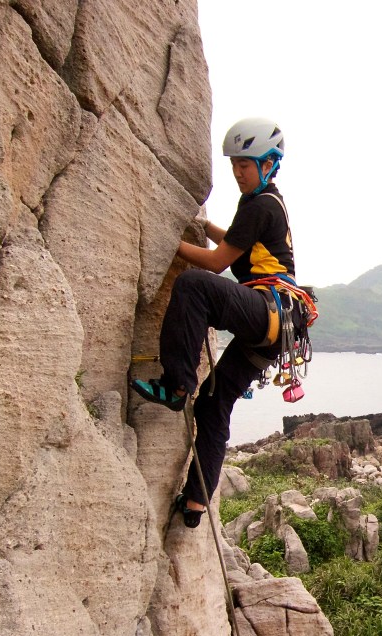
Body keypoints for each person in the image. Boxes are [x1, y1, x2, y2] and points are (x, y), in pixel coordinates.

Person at [131, 117, 295, 528]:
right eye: (235, 164)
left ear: (269, 164)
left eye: (246, 164)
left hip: (268, 311)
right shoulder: (264, 204)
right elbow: (238, 247)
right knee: (213, 402)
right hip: (277, 327)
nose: (238, 172)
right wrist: (204, 227)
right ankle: (196, 501)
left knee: (193, 286)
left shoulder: (260, 205)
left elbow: (220, 261)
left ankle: (175, 384)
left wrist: (170, 243)